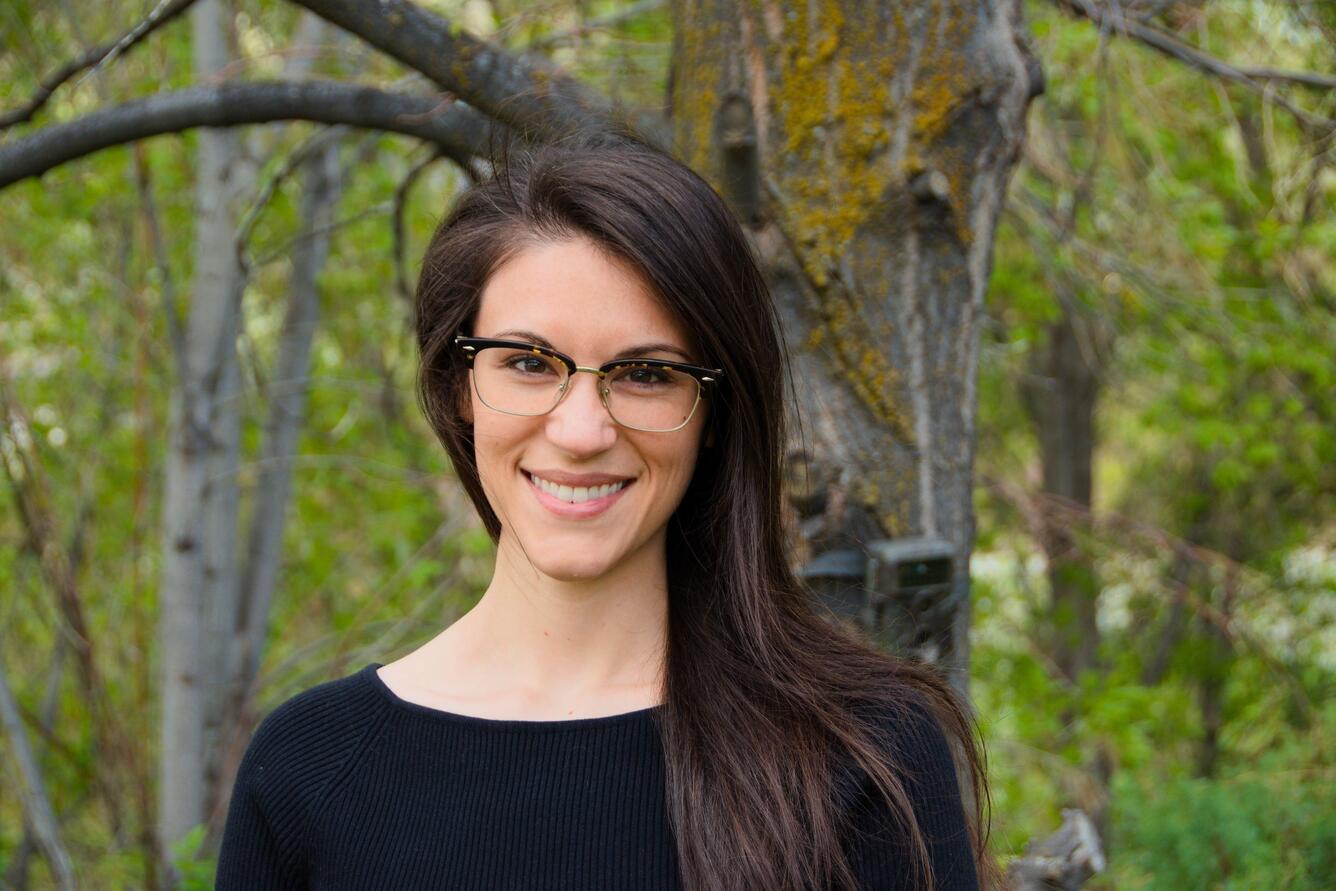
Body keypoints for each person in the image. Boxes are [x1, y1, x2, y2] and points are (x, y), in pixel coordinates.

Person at [215, 130, 995, 890]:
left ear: (713, 412)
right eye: (526, 362)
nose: (581, 430)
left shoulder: (860, 756)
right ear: (460, 386)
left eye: (646, 374)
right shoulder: (309, 771)